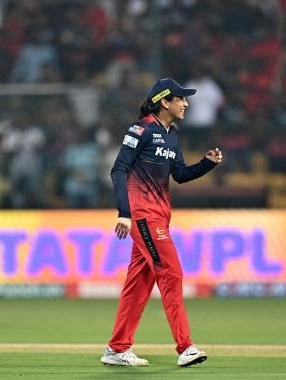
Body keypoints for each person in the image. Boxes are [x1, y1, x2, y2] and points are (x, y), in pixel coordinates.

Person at [100, 78, 223, 367]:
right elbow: (118, 169)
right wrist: (124, 213)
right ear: (165, 101)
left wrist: (206, 163)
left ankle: (117, 348)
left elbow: (179, 174)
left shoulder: (171, 134)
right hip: (143, 216)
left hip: (159, 217)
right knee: (171, 273)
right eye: (181, 99)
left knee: (139, 283)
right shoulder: (140, 129)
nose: (186, 103)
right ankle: (185, 347)